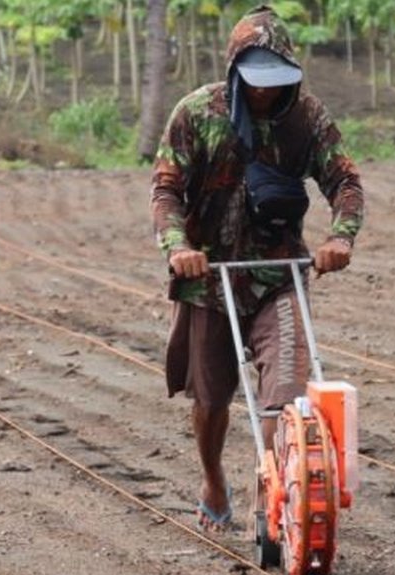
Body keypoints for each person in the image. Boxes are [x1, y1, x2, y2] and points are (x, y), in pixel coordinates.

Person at [151, 4, 364, 531]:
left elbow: (345, 182)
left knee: (284, 399)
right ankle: (213, 479)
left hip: (279, 277)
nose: (266, 93)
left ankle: (273, 490)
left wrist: (340, 238)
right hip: (208, 281)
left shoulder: (307, 117)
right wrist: (179, 248)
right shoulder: (198, 113)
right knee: (210, 397)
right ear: (234, 71)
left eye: (277, 82)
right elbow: (166, 190)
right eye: (256, 82)